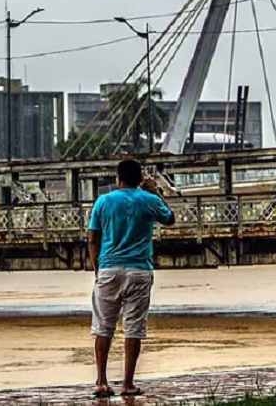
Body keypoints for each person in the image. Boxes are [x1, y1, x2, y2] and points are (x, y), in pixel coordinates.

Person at [87, 158, 175, 398]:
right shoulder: (149, 200)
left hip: (108, 269)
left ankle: (101, 382)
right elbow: (170, 218)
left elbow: (93, 239)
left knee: (103, 327)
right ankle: (127, 384)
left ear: (118, 179)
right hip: (139, 270)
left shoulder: (103, 202)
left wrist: (98, 269)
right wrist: (155, 189)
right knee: (134, 327)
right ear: (140, 179)